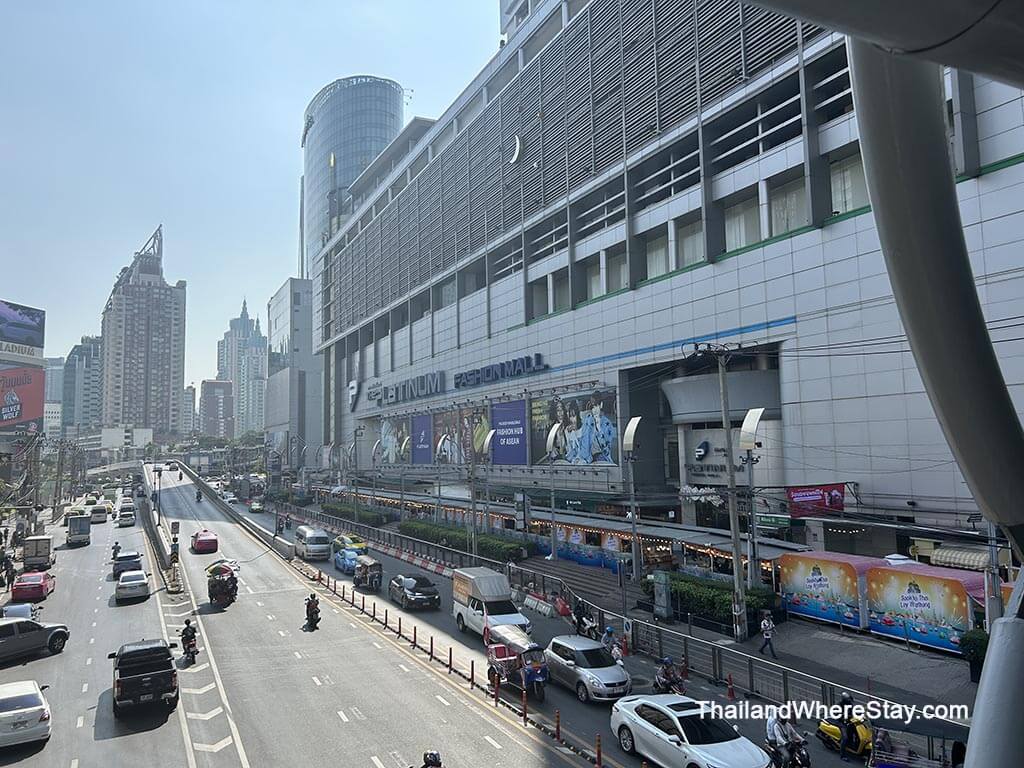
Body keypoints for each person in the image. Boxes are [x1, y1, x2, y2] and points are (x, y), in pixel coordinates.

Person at [838, 691, 856, 762]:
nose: (850, 701)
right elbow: (837, 715)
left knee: (854, 731)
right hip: (841, 723)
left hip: (849, 721)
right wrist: (843, 719)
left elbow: (852, 712)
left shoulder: (850, 704)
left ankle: (851, 744)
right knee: (845, 738)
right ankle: (842, 755)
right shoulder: (839, 705)